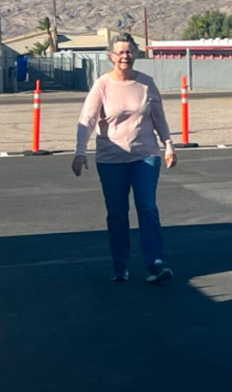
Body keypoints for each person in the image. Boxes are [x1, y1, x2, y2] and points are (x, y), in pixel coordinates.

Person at [71, 33, 177, 283]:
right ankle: (120, 266)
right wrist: (80, 151)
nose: (125, 56)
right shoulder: (102, 85)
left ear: (136, 54)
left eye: (129, 51)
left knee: (147, 207)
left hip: (145, 156)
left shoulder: (146, 83)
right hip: (111, 160)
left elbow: (159, 118)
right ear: (111, 56)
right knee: (117, 213)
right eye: (120, 52)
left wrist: (169, 146)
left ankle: (156, 264)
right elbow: (87, 119)